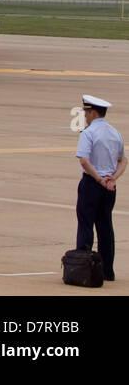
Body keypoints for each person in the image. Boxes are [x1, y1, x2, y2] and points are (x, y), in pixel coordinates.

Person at [75, 94, 126, 280]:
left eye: (87, 112)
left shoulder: (88, 133)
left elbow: (84, 161)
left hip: (92, 184)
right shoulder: (115, 133)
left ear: (94, 113)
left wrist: (98, 179)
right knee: (105, 227)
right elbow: (123, 161)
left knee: (86, 225)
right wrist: (112, 179)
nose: (85, 116)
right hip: (109, 188)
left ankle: (84, 268)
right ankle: (106, 270)